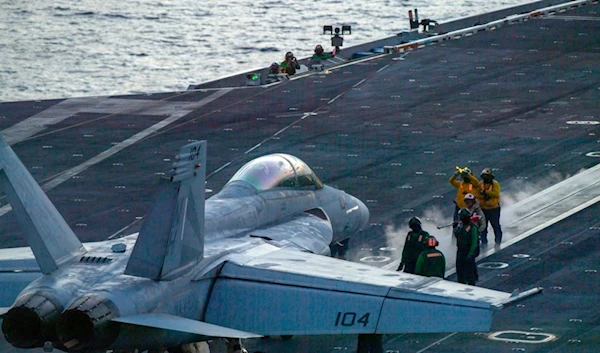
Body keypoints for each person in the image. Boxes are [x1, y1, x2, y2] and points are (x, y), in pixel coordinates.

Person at [477, 168, 503, 246]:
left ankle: (498, 241)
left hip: (494, 209)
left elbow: (496, 194)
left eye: (487, 176)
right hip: (483, 209)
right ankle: (484, 241)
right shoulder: (480, 184)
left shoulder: (495, 184)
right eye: (484, 176)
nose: (485, 178)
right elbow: (477, 194)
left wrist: (486, 193)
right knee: (483, 227)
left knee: (495, 225)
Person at [454, 208, 480, 285]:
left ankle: (471, 284)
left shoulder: (473, 227)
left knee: (469, 270)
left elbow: (474, 241)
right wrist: (455, 228)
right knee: (459, 269)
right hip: (460, 251)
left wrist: (471, 253)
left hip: (467, 251)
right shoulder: (462, 226)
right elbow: (458, 235)